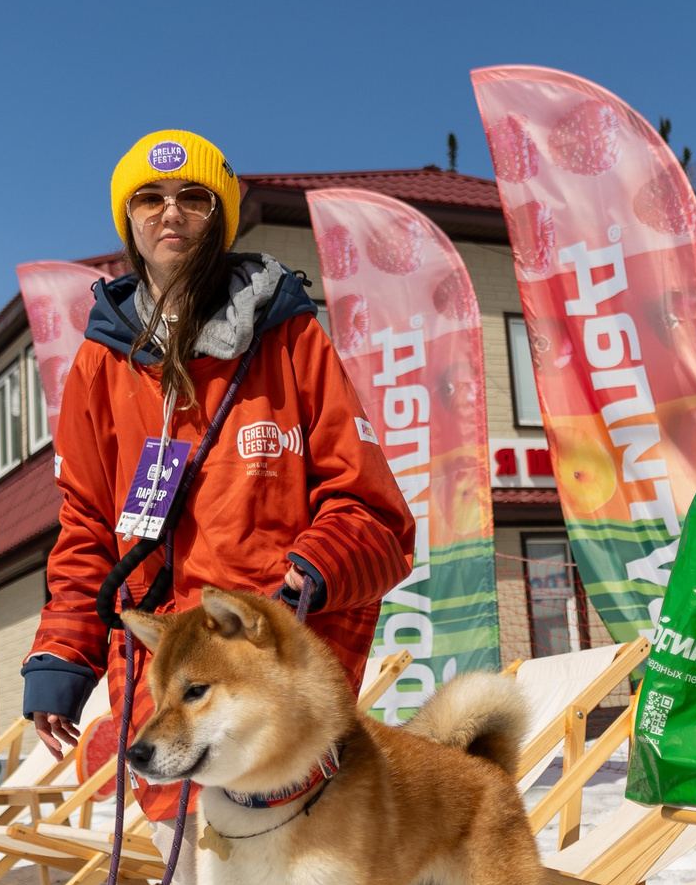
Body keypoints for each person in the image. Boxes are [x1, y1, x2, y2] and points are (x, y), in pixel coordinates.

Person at [21, 129, 415, 788]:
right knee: (196, 882)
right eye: (149, 198)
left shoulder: (291, 337)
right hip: (160, 670)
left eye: (193, 197)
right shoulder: (99, 364)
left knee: (273, 872)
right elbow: (87, 526)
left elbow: (373, 510)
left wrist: (310, 572)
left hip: (268, 667)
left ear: (221, 217)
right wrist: (62, 654)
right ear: (128, 221)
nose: (169, 211)